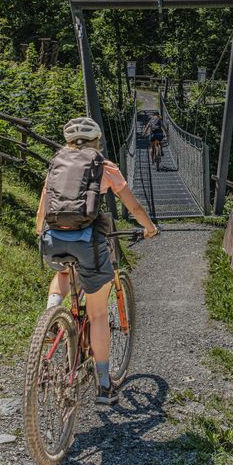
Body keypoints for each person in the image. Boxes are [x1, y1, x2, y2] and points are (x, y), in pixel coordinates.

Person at [36, 116, 158, 407]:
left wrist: (43, 234)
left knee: (64, 271)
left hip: (52, 239)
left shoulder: (57, 164)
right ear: (96, 142)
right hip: (87, 243)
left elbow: (43, 205)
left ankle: (51, 314)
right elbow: (133, 205)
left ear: (68, 142)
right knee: (99, 314)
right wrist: (149, 227)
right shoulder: (104, 167)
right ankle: (104, 386)